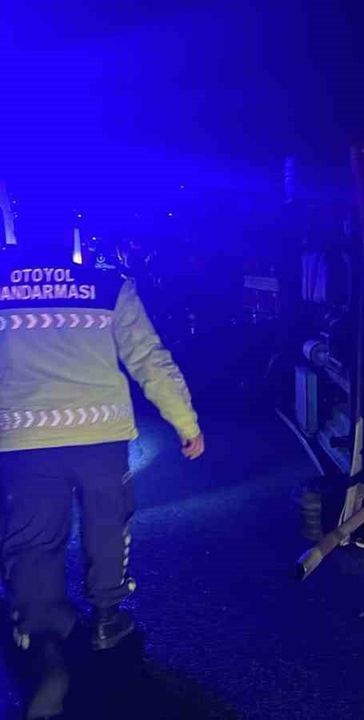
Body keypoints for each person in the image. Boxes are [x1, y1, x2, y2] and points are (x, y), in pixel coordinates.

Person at [0, 204, 204, 718]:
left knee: (32, 543)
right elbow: (150, 359)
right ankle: (108, 619)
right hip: (100, 437)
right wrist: (186, 423)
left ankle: (44, 646)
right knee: (108, 525)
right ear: (71, 236)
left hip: (23, 440)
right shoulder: (109, 285)